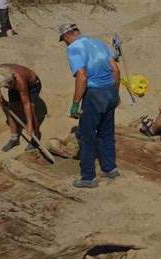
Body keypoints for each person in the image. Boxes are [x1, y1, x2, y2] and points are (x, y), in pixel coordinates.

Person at [59, 23, 121, 188]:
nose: (65, 43)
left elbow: (82, 77)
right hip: (110, 91)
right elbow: (115, 70)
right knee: (106, 133)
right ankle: (110, 169)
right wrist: (115, 93)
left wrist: (75, 103)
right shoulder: (99, 43)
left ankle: (88, 178)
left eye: (64, 40)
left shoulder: (74, 48)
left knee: (86, 136)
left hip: (94, 94)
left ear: (67, 36)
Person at [0, 64, 41, 152]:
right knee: (11, 109)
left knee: (31, 108)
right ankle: (14, 139)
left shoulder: (20, 81)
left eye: (10, 84)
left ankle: (35, 138)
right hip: (15, 84)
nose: (8, 86)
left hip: (33, 84)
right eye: (7, 85)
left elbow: (26, 104)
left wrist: (29, 125)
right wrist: (0, 97)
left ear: (12, 78)